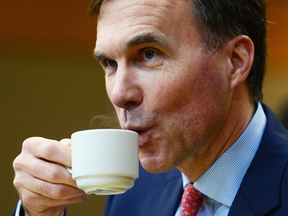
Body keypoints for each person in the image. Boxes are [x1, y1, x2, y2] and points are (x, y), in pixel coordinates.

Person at [12, 0, 288, 215]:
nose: (120, 94)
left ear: (235, 61)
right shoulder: (133, 190)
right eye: (109, 63)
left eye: (148, 54)